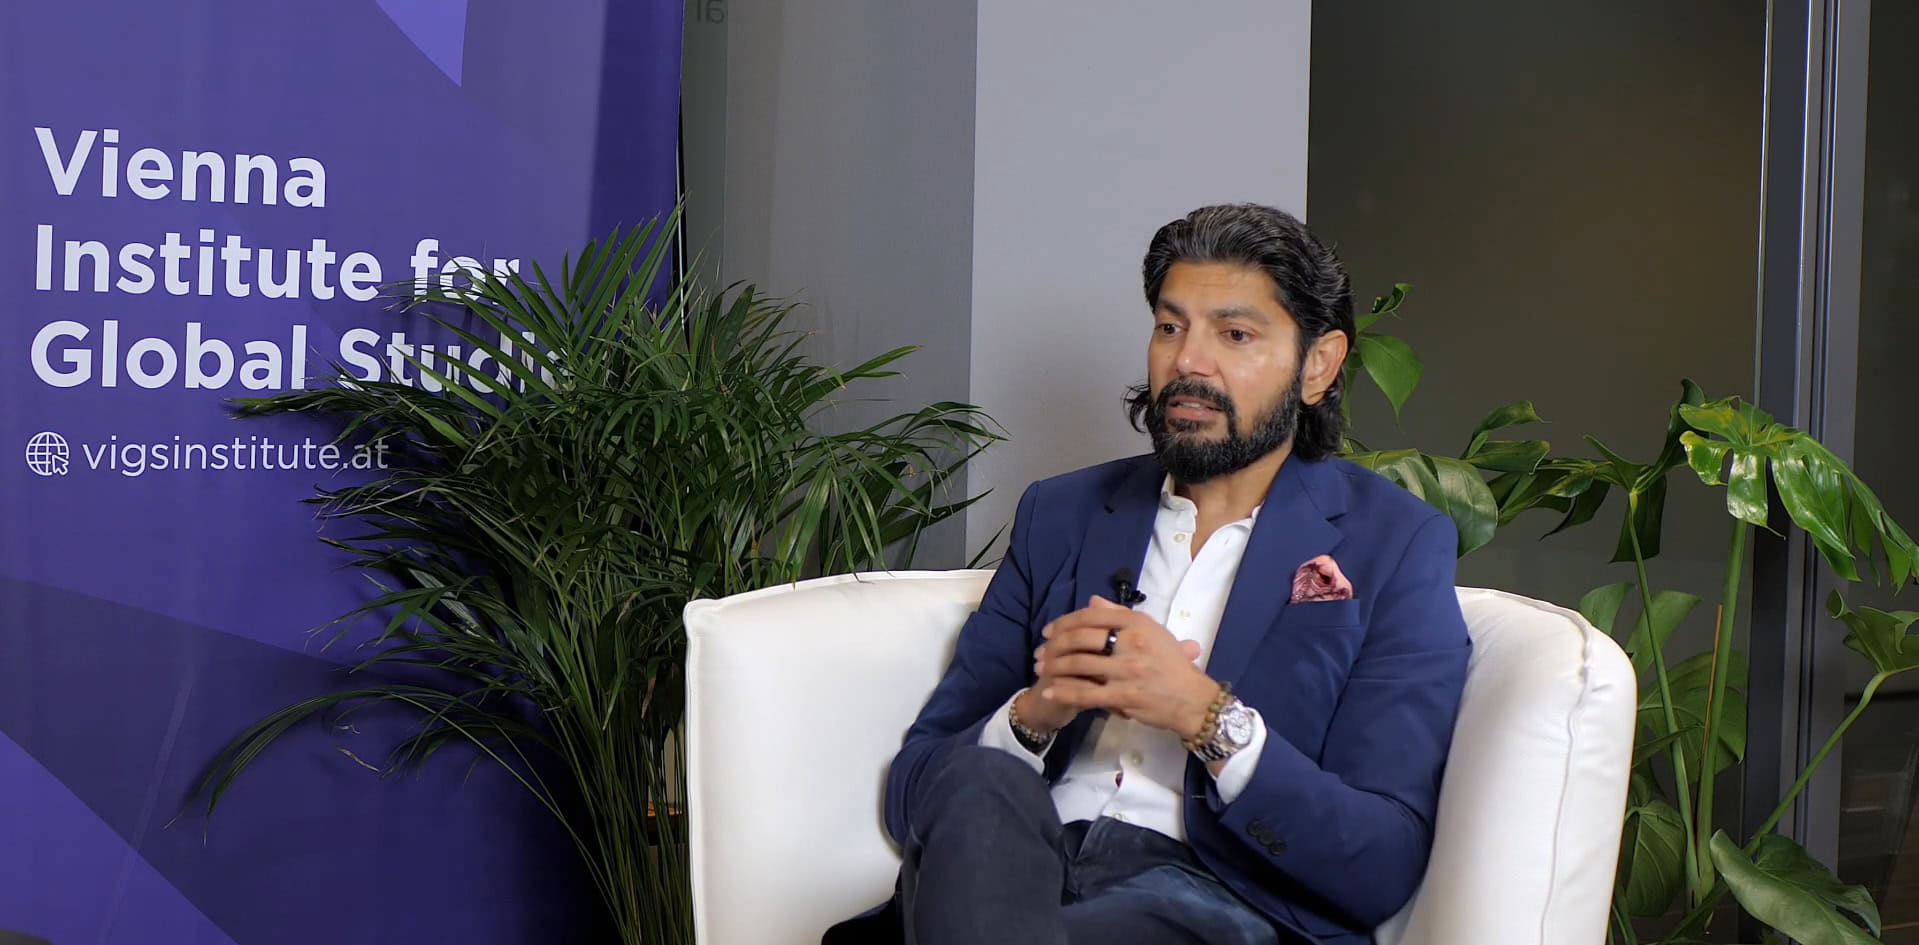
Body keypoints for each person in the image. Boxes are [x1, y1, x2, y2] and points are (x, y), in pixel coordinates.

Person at [824, 203, 1472, 945]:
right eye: (1170, 327)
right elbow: (914, 793)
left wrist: (1206, 716)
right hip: (1012, 871)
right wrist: (1034, 714)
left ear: (1317, 364)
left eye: (1234, 334)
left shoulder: (1393, 543)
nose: (1188, 361)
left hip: (1212, 901)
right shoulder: (1061, 514)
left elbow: (1381, 860)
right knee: (979, 777)